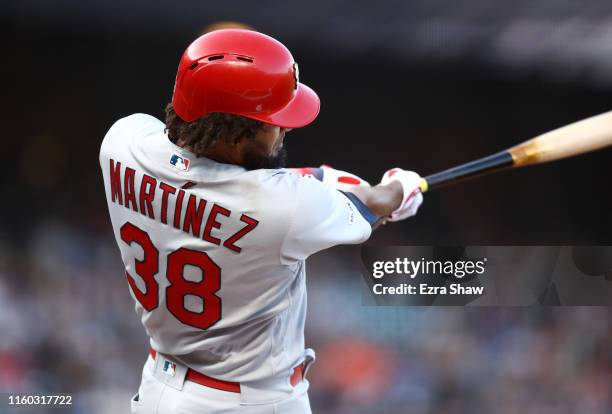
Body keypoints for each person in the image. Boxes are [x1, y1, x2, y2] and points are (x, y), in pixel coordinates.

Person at [99, 29, 423, 413]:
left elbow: (229, 182)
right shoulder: (287, 209)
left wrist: (319, 178)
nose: (284, 128)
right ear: (233, 133)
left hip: (158, 389)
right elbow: (374, 204)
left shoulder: (121, 142)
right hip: (251, 402)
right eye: (273, 120)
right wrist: (402, 187)